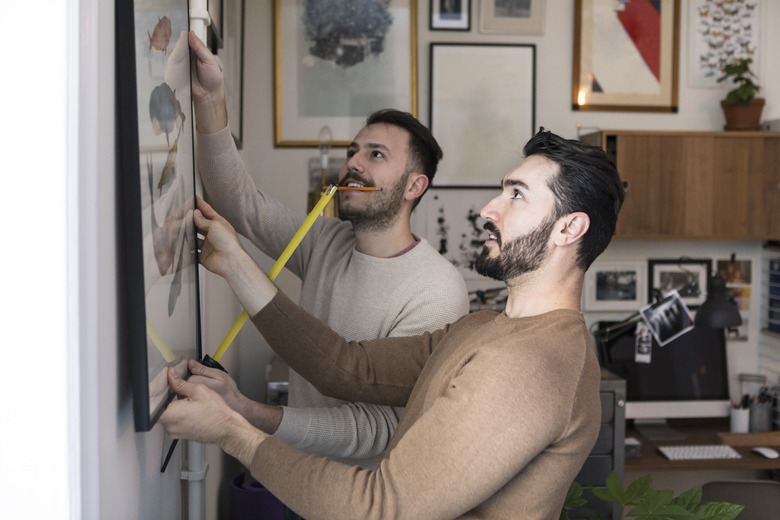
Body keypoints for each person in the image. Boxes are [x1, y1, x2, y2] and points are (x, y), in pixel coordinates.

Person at [161, 128, 626, 519]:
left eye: (517, 195)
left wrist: (231, 432)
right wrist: (236, 265)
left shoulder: (533, 364)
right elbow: (346, 368)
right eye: (502, 190)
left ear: (570, 229)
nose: (489, 209)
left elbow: (383, 507)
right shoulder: (485, 328)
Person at [185, 30, 469, 483]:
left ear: (415, 187)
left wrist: (246, 411)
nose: (353, 164)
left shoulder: (437, 291)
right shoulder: (327, 240)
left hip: (365, 499)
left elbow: (378, 431)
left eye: (376, 155)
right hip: (303, 478)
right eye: (352, 151)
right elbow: (240, 205)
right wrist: (210, 99)